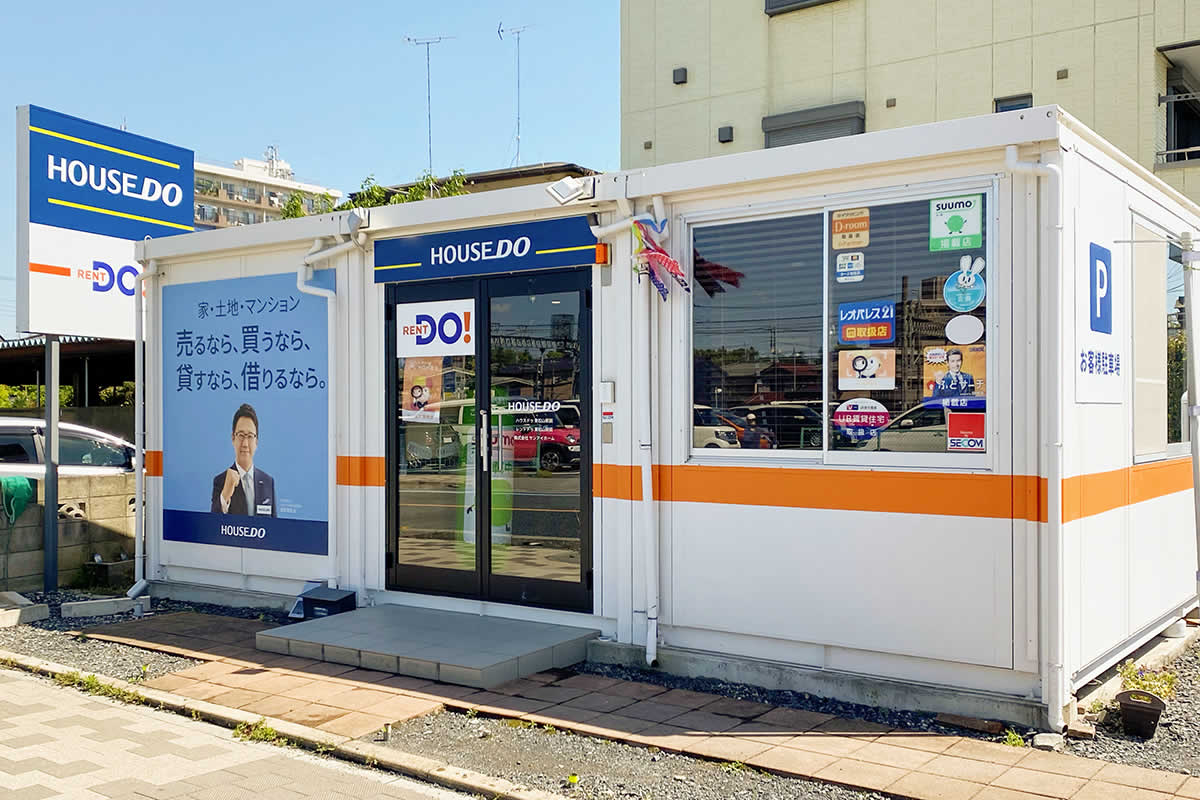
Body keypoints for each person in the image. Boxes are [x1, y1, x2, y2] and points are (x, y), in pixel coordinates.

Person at [211, 403, 276, 517]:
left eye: (250, 436)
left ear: (256, 441)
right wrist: (225, 494)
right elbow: (213, 525)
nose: (245, 444)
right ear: (233, 438)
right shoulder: (221, 481)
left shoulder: (267, 482)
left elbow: (275, 527)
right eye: (241, 435)